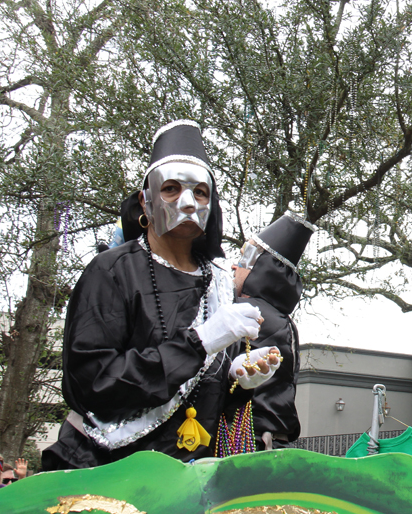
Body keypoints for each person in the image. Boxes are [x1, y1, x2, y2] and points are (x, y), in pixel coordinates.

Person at [42, 121, 278, 470]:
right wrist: (201, 341)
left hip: (186, 481)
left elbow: (201, 401)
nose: (187, 203)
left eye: (200, 193)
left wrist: (236, 381)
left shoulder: (217, 282)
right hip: (104, 470)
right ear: (146, 199)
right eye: (171, 189)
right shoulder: (111, 271)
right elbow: (93, 385)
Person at [218, 213, 315, 454]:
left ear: (261, 269)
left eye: (242, 260)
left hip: (244, 444)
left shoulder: (245, 314)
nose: (233, 266)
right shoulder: (283, 321)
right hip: (270, 441)